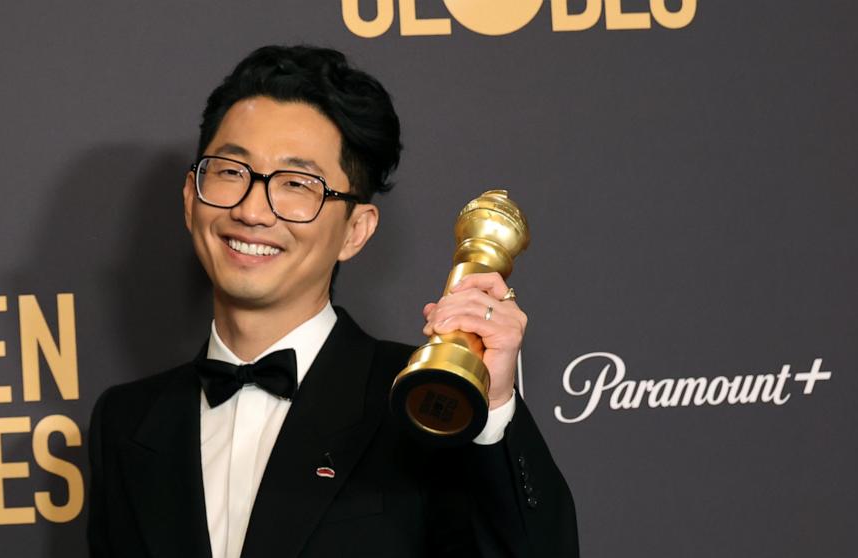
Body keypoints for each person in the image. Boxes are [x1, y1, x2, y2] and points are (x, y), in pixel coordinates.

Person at [87, 44, 578, 558]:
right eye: (231, 172)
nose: (253, 210)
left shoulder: (420, 403)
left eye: (297, 184)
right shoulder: (127, 423)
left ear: (356, 231)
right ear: (191, 198)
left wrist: (493, 412)